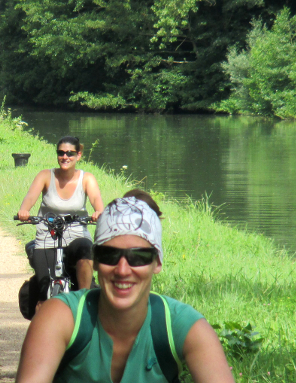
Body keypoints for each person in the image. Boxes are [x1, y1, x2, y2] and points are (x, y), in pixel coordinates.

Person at [15, 194, 234, 383]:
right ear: (96, 261)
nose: (122, 270)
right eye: (110, 255)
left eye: (138, 257)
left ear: (157, 263)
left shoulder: (183, 326)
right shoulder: (60, 317)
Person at [17, 136, 104, 304]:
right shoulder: (45, 176)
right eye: (61, 153)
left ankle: (83, 303)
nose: (65, 157)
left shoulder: (87, 179)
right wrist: (24, 211)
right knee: (42, 295)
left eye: (70, 153)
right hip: (47, 237)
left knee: (85, 250)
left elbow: (96, 200)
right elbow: (29, 198)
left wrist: (98, 211)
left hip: (77, 235)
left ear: (78, 155)